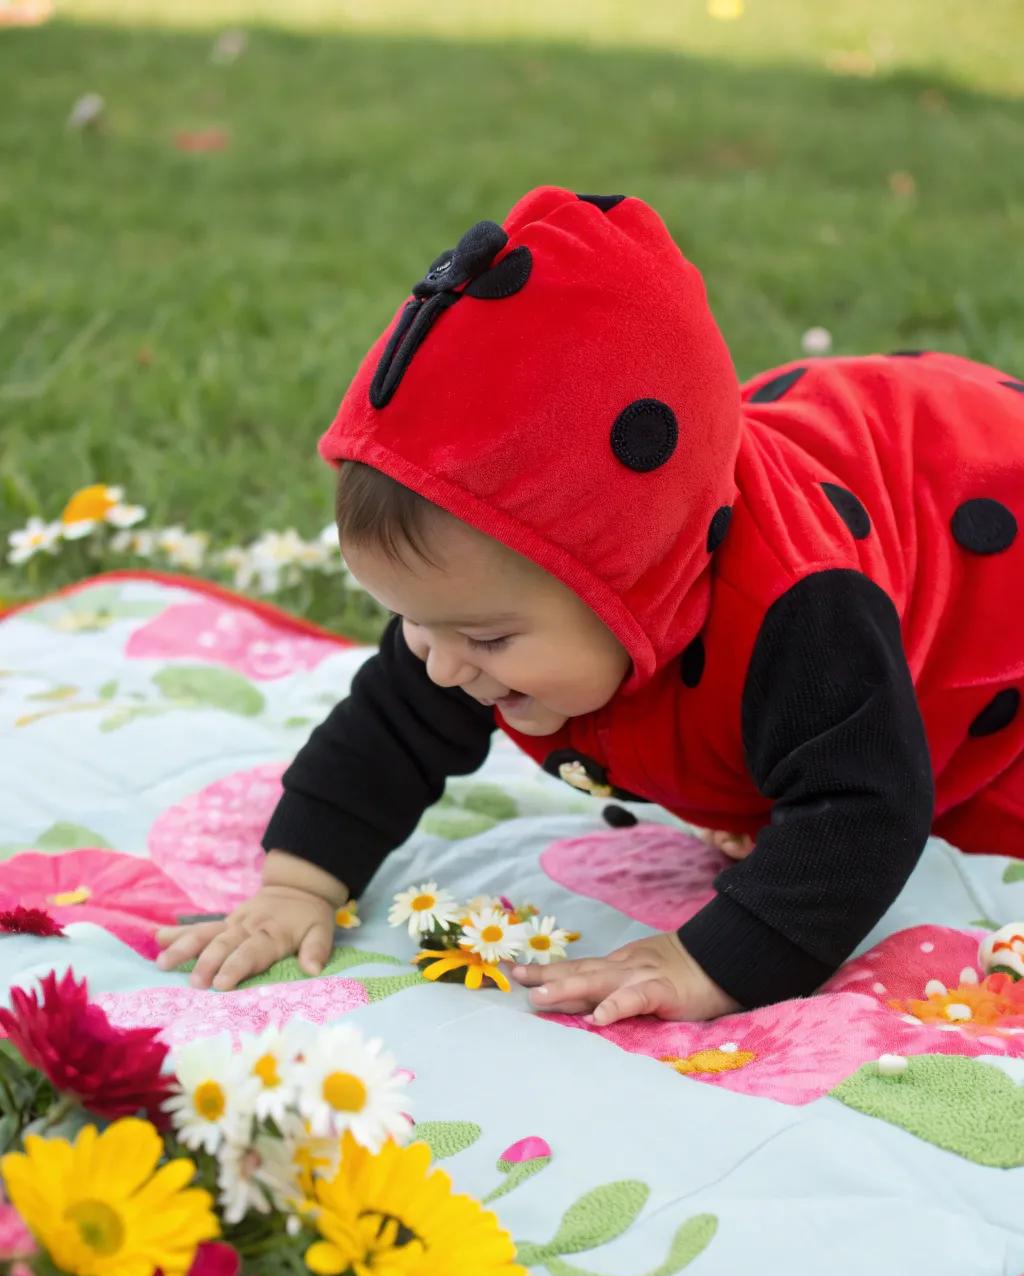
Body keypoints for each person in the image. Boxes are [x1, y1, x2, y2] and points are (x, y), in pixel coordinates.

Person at [155, 185, 1024, 1025]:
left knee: (943, 806)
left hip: (987, 548)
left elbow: (868, 807)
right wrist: (297, 886)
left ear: (642, 578)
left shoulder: (799, 613)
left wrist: (705, 960)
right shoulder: (461, 614)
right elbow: (386, 733)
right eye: (416, 622)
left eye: (488, 638)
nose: (443, 664)